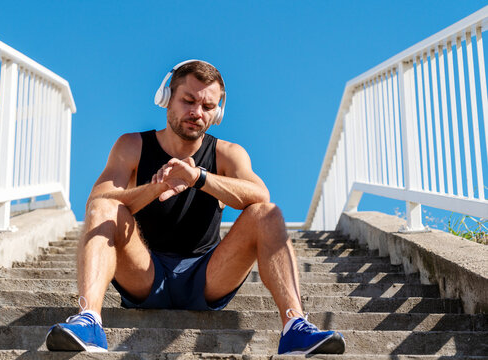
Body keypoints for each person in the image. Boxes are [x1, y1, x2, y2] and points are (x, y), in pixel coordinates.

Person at [45, 60, 346, 355]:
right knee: (104, 208)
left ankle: (294, 326)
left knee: (266, 213)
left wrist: (198, 178)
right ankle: (89, 321)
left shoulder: (227, 154)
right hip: (144, 272)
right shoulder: (132, 146)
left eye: (207, 107)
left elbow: (260, 195)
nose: (196, 113)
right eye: (188, 101)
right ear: (166, 99)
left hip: (207, 277)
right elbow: (97, 201)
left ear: (218, 112)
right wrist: (158, 187)